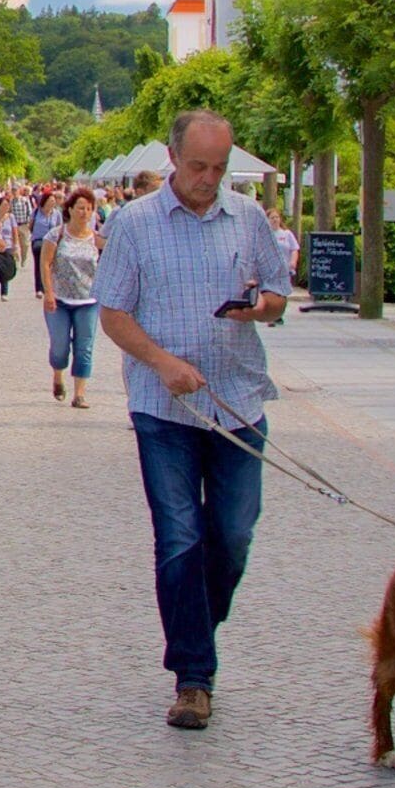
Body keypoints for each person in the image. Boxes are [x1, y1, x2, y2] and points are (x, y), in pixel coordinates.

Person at [97, 110, 291, 731]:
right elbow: (114, 314)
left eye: (219, 167)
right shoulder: (134, 224)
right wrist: (162, 362)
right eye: (199, 166)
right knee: (180, 537)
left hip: (239, 401)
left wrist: (261, 308)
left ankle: (196, 627)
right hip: (165, 408)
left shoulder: (249, 217)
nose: (209, 179)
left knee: (232, 536)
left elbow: (279, 294)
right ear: (174, 159)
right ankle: (193, 677)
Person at [41, 189, 104, 408]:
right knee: (60, 346)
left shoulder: (97, 238)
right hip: (59, 300)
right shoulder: (56, 235)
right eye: (80, 208)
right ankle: (58, 375)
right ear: (70, 209)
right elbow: (46, 263)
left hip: (88, 300)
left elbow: (108, 265)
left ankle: (79, 394)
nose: (84, 213)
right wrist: (48, 292)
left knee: (84, 347)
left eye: (88, 209)